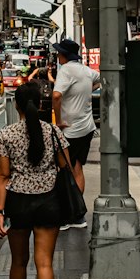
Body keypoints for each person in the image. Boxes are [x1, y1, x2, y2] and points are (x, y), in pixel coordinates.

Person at [0, 81, 71, 279]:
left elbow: (3, 175)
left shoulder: (7, 134)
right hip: (49, 201)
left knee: (18, 262)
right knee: (45, 263)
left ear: (16, 105)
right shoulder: (53, 133)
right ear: (40, 104)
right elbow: (66, 166)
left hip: (18, 202)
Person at [50, 38, 98, 226]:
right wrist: (86, 91)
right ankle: (78, 214)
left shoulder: (66, 71)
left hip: (69, 130)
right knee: (78, 169)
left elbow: (56, 96)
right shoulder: (86, 71)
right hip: (87, 127)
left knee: (64, 171)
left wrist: (59, 120)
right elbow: (100, 79)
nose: (57, 55)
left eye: (59, 53)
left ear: (63, 55)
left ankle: (66, 215)